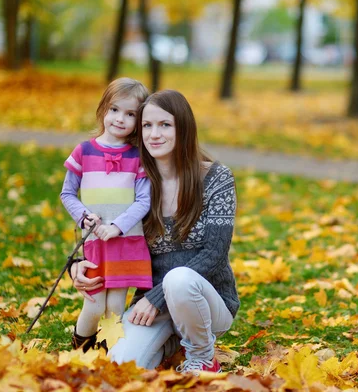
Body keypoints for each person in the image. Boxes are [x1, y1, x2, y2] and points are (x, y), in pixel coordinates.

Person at [70, 89, 239, 375]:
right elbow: (98, 218)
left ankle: (201, 356)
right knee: (120, 367)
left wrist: (156, 297)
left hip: (207, 302)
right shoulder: (136, 183)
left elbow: (214, 254)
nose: (154, 134)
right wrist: (78, 263)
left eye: (165, 125)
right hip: (151, 307)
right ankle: (171, 342)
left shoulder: (216, 178)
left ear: (183, 127)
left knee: (179, 278)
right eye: (147, 125)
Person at [61, 77, 153, 352]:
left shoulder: (137, 157)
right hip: (95, 241)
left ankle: (109, 351)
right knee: (94, 303)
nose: (120, 119)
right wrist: (84, 216)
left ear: (138, 121)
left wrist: (118, 226)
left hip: (125, 241)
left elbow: (144, 200)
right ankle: (80, 346)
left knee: (114, 307)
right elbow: (67, 193)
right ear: (103, 109)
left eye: (130, 114)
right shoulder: (84, 151)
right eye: (115, 110)